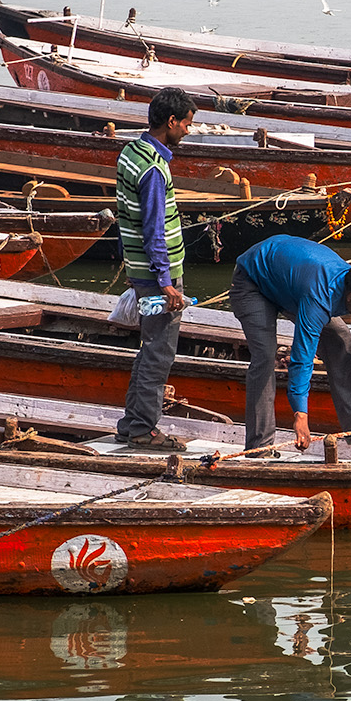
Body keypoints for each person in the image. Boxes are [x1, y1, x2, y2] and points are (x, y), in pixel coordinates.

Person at [231, 233, 351, 452]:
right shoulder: (319, 298)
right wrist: (300, 415)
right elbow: (302, 358)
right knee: (264, 357)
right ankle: (259, 446)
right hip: (253, 281)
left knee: (340, 339)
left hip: (289, 283)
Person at [115, 87, 196, 450]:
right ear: (171, 122)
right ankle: (143, 428)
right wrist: (166, 283)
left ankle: (130, 422)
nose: (188, 131)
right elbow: (154, 229)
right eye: (187, 124)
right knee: (160, 350)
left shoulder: (132, 150)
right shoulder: (152, 168)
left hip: (141, 270)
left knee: (149, 347)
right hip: (156, 276)